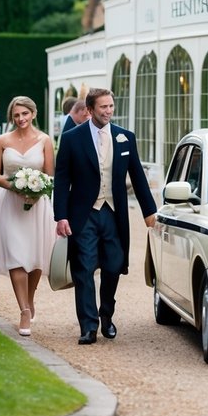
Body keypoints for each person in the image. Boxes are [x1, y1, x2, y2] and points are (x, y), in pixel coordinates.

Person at [54, 88, 157, 345]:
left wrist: (150, 213)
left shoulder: (125, 137)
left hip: (114, 213)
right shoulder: (71, 139)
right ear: (90, 110)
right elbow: (62, 179)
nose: (109, 111)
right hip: (83, 214)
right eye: (103, 107)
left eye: (111, 106)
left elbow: (138, 178)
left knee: (114, 265)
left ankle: (106, 316)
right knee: (84, 269)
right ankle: (89, 326)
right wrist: (61, 216)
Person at [0, 96, 55, 337]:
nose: (20, 118)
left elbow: (50, 175)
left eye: (24, 114)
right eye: (16, 115)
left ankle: (31, 297)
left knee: (36, 258)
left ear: (33, 114)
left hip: (38, 206)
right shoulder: (2, 141)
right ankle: (24, 310)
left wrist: (37, 190)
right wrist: (14, 185)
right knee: (16, 257)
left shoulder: (45, 140)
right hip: (11, 204)